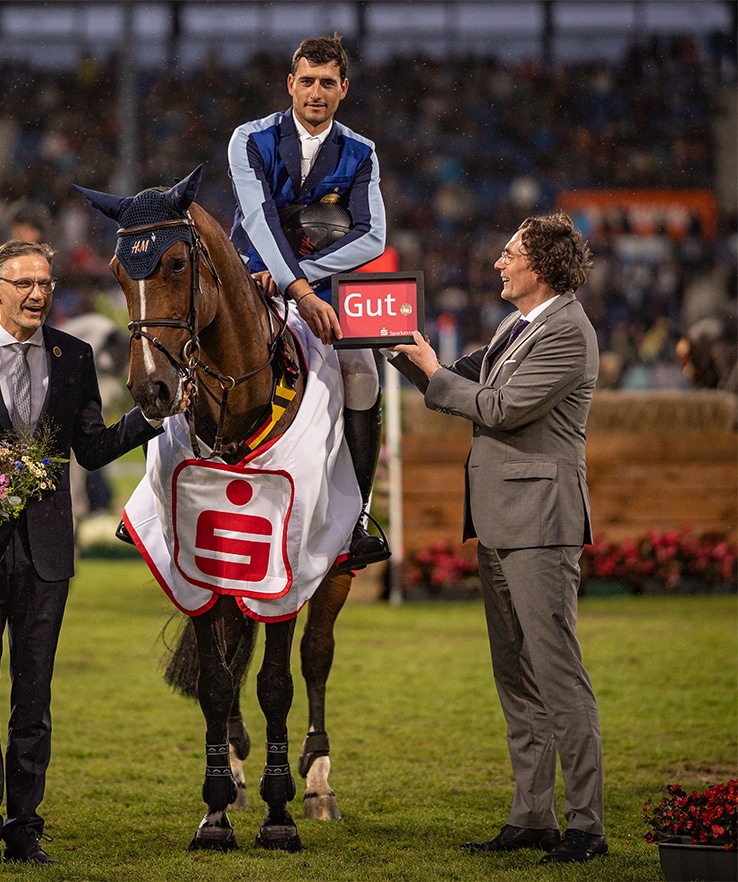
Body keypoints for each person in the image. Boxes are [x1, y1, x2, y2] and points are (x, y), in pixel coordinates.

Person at [0, 239, 162, 871]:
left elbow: (92, 447)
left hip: (47, 553)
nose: (37, 294)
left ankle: (25, 826)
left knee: (33, 698)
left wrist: (149, 419)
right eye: (23, 283)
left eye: (45, 283)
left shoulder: (73, 357)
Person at [387, 212, 607, 864]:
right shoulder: (521, 327)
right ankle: (533, 815)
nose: (498, 263)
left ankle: (588, 826)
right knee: (516, 676)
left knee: (557, 675)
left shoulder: (568, 332)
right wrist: (390, 343)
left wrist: (433, 369)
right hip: (502, 522)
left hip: (540, 526)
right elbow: (450, 379)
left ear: (540, 265)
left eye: (509, 253)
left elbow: (500, 408)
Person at [227, 32, 389, 569]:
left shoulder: (361, 151)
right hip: (249, 280)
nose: (315, 92)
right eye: (306, 81)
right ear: (289, 84)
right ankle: (150, 503)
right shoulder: (248, 138)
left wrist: (300, 279)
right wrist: (288, 283)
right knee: (182, 350)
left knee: (363, 372)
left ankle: (361, 517)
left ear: (344, 89)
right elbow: (258, 218)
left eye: (327, 83)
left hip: (316, 287)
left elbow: (372, 238)